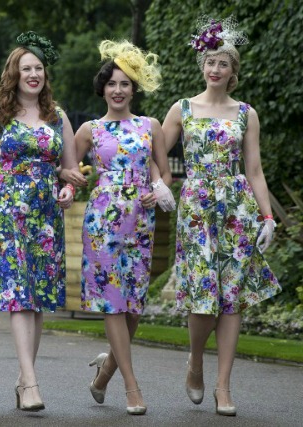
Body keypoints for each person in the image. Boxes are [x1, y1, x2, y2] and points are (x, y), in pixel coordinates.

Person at [162, 16, 280, 416]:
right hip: (195, 207)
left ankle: (224, 387)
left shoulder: (246, 113)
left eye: (223, 63)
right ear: (202, 64)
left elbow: (255, 170)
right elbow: (154, 155)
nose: (215, 69)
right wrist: (159, 186)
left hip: (236, 208)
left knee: (232, 299)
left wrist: (267, 218)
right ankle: (195, 362)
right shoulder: (181, 109)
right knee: (202, 299)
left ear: (233, 72)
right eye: (210, 61)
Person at [0, 31, 77, 412]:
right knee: (17, 295)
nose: (33, 74)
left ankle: (25, 377)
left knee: (38, 298)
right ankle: (29, 381)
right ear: (14, 74)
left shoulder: (57, 117)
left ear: (45, 74)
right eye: (26, 68)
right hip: (7, 211)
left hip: (45, 215)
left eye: (38, 68)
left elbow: (70, 170)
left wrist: (69, 190)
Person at [64, 40, 173, 416]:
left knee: (134, 306)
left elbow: (165, 171)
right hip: (103, 220)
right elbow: (71, 171)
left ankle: (104, 373)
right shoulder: (89, 130)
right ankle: (131, 387)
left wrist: (158, 190)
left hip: (141, 222)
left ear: (134, 88)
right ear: (103, 88)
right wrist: (68, 185)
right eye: (112, 83)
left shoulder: (151, 126)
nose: (118, 90)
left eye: (125, 83)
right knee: (113, 302)